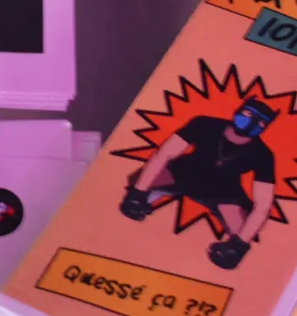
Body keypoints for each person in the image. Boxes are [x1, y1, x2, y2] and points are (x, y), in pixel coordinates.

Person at [119, 99, 279, 270]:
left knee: (242, 228)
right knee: (139, 178)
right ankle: (149, 196)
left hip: (224, 191)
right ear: (239, 110)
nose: (252, 122)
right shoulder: (205, 124)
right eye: (248, 114)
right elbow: (164, 154)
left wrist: (239, 245)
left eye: (261, 122)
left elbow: (263, 204)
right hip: (185, 172)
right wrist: (138, 192)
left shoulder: (263, 154)